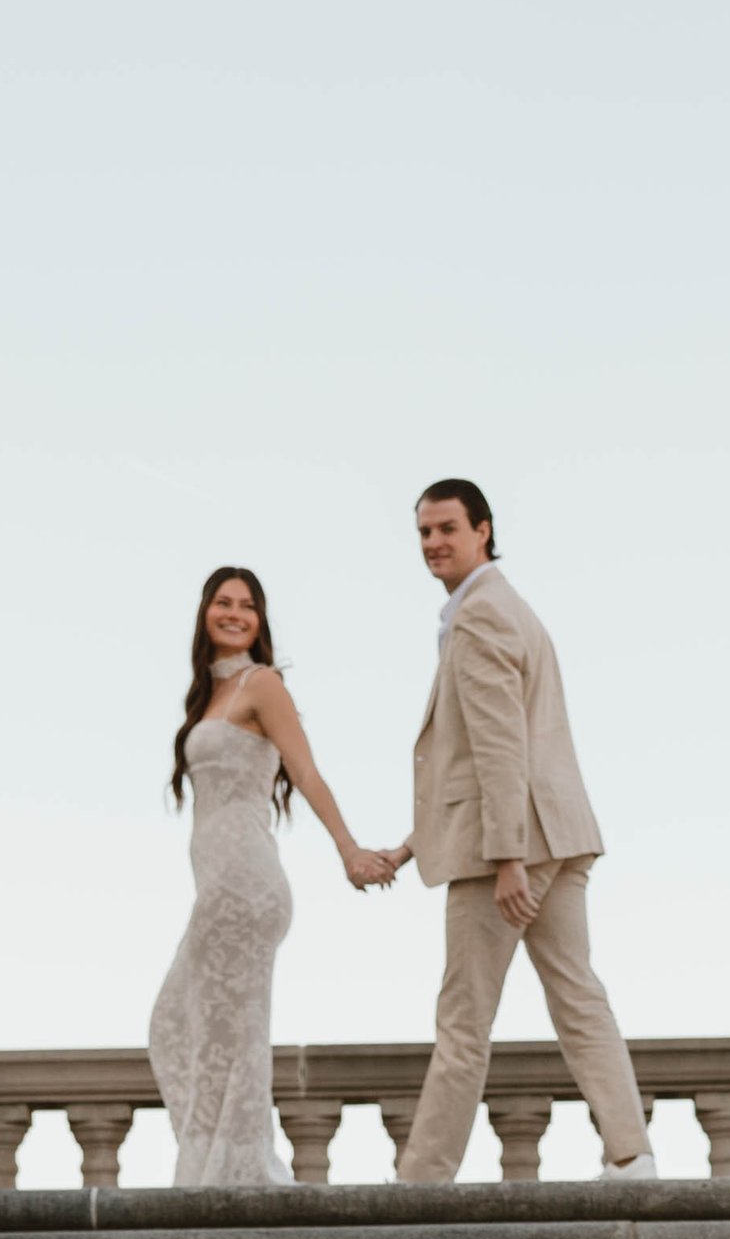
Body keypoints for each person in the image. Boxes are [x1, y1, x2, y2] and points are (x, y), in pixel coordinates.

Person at [387, 479, 654, 1185]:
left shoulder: (478, 615)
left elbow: (501, 746)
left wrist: (506, 858)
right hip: (560, 834)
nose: (434, 543)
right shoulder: (510, 607)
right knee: (578, 995)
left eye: (447, 528)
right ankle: (632, 1154)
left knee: (463, 1022)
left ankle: (422, 1181)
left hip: (509, 850)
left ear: (483, 530)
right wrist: (415, 842)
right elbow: (480, 759)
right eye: (423, 533)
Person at [148, 565, 396, 1186]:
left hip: (248, 887)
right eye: (223, 603)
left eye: (248, 606)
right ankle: (218, 1167)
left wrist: (348, 850)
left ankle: (225, 1175)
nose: (235, 614)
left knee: (220, 1033)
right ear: (205, 613)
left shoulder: (262, 685)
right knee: (181, 1025)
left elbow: (306, 772)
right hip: (217, 888)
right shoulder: (206, 696)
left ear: (260, 622)